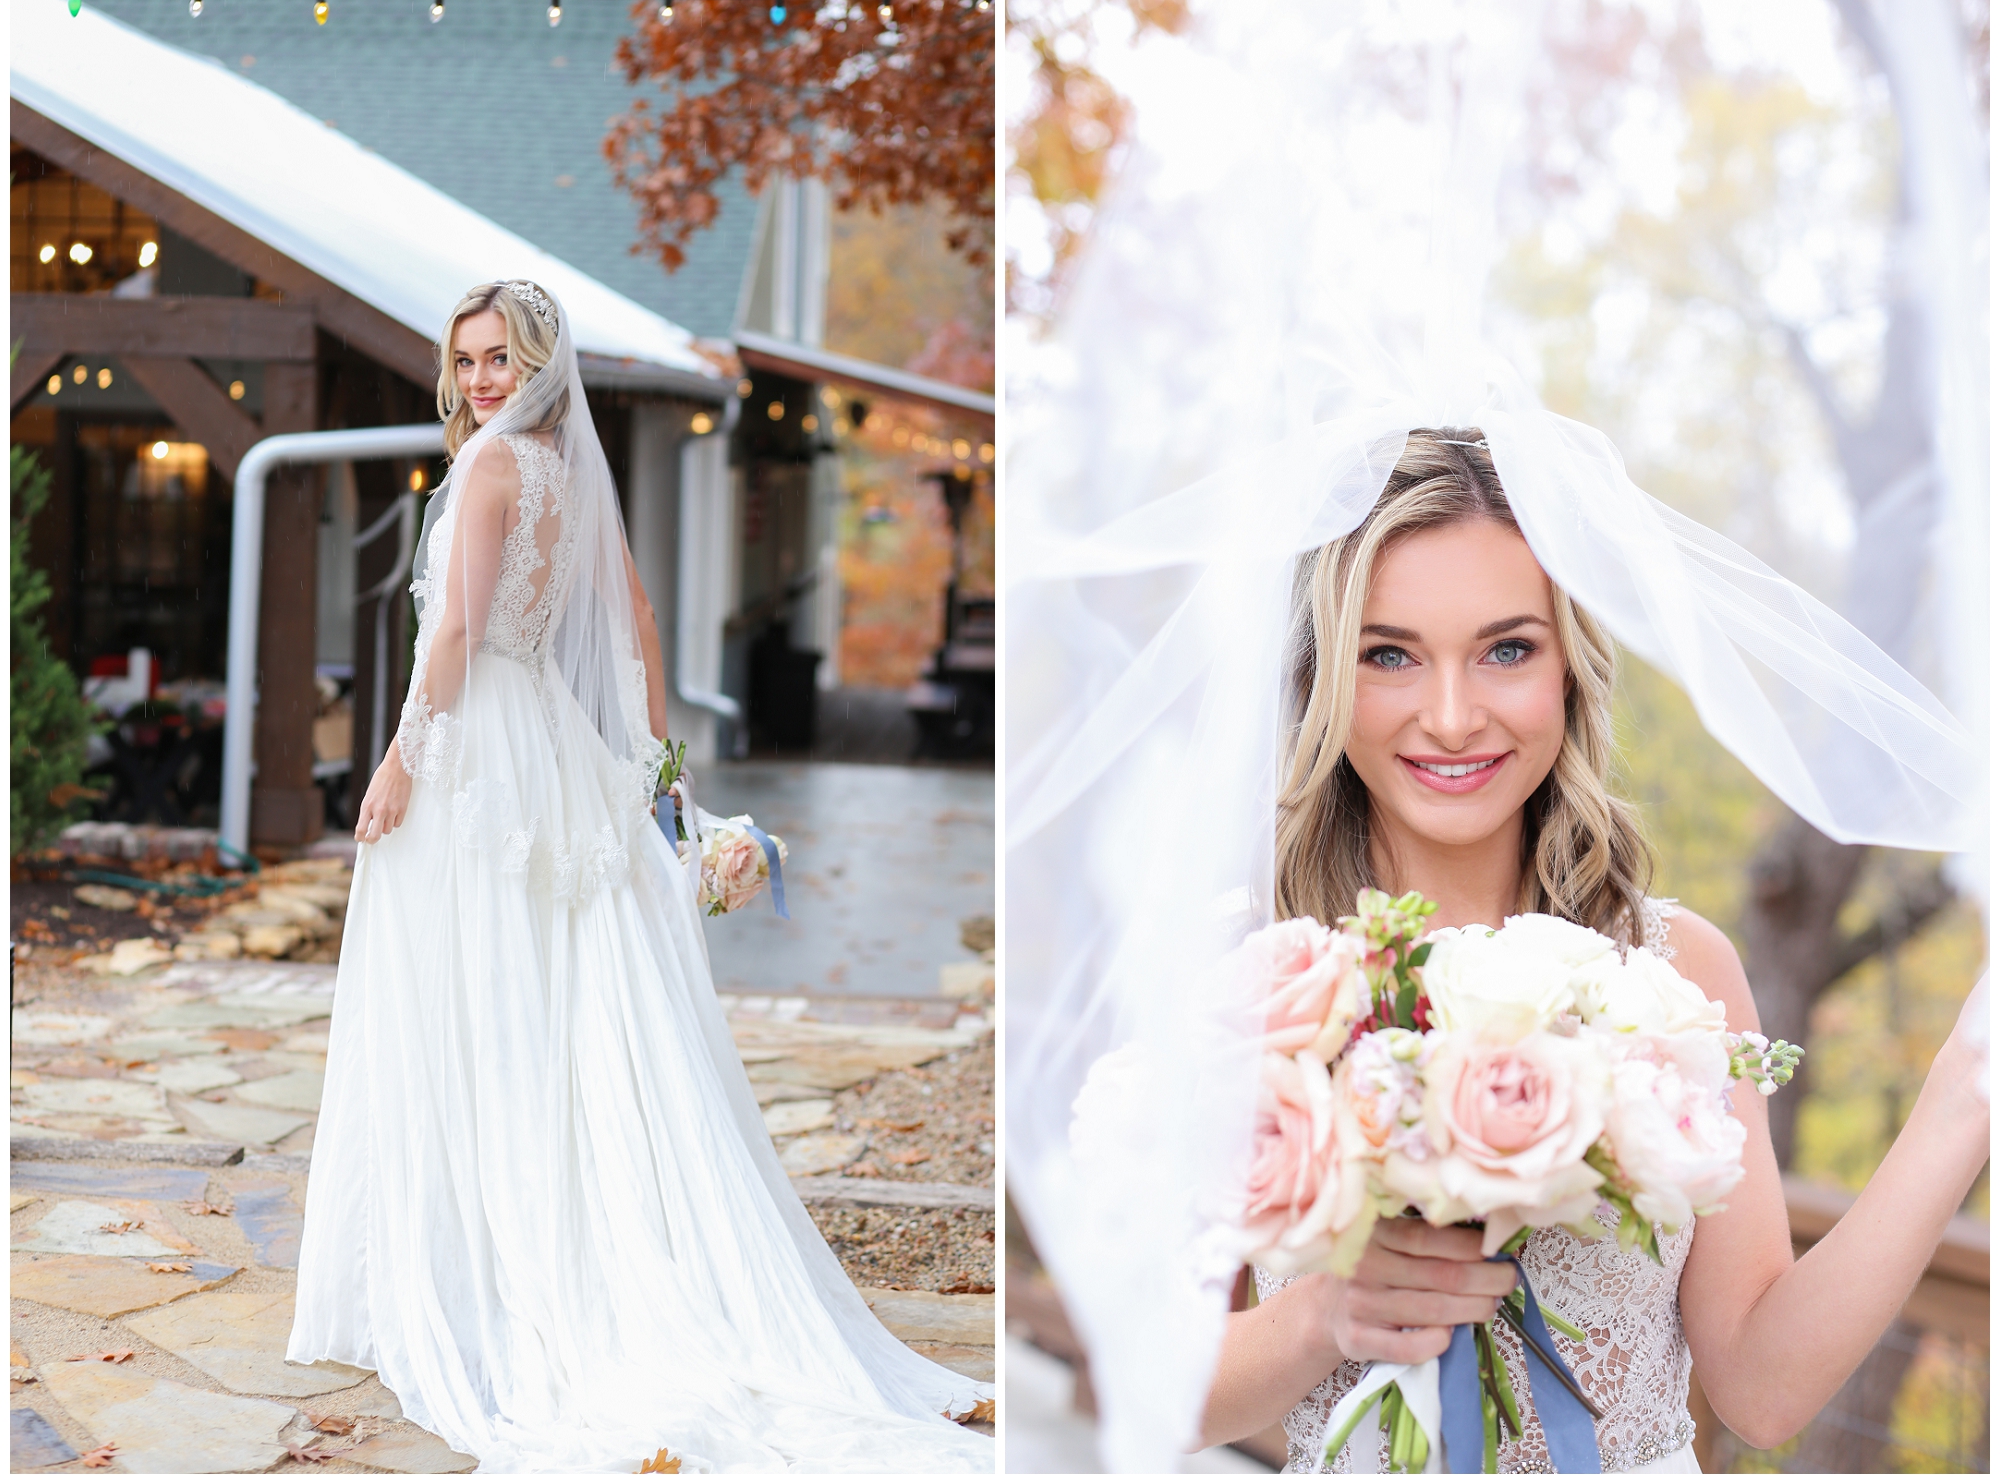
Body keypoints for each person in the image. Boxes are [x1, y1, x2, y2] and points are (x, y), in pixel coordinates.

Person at [288, 280, 993, 1473]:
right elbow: (640, 617)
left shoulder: (494, 472)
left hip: (479, 745)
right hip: (555, 738)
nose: (480, 382)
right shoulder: (567, 474)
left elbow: (455, 636)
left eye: (500, 359)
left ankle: (481, 1265)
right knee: (553, 992)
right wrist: (657, 767)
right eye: (465, 362)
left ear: (539, 363)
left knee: (472, 995)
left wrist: (401, 759)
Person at [1188, 432, 1990, 1472]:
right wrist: (1319, 1315)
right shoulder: (1253, 975)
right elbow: (1149, 1380)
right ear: (1322, 673)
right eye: (1387, 653)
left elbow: (1761, 1385)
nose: (1449, 715)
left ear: (1568, 664)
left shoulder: (1675, 970)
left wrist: (1968, 1084)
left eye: (1504, 649)